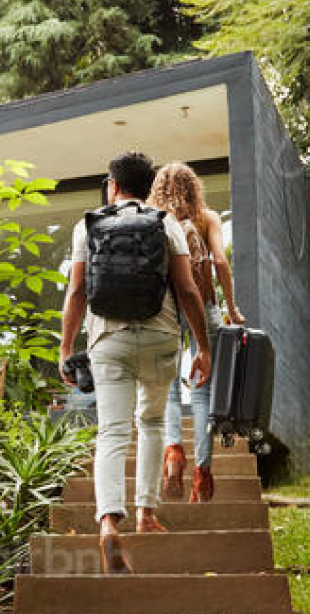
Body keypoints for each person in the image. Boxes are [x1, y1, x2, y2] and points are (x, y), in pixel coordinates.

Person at [59, 151, 213, 571]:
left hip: (108, 340)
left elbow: (75, 294)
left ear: (112, 185)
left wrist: (66, 347)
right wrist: (203, 347)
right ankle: (146, 514)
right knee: (151, 423)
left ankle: (109, 522)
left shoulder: (87, 224)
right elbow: (187, 291)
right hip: (161, 338)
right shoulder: (165, 224)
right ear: (149, 188)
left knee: (112, 432)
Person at [148, 162, 244, 503]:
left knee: (170, 389)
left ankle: (173, 452)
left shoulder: (152, 219)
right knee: (204, 392)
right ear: (194, 188)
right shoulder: (207, 218)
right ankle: (202, 473)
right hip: (203, 306)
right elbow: (220, 262)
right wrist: (231, 309)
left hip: (165, 310)